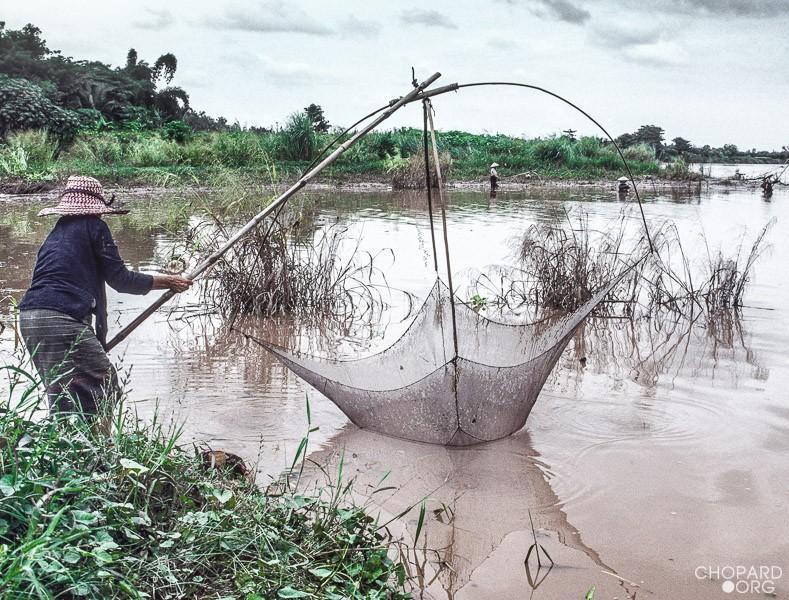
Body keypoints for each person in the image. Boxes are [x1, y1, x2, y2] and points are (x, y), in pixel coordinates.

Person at [18, 176, 192, 416]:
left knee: (63, 393)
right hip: (61, 319)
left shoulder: (57, 233)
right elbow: (120, 279)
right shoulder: (95, 227)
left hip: (30, 318)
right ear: (97, 208)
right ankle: (100, 449)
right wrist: (169, 281)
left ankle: (69, 448)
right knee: (105, 387)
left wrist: (98, 338)